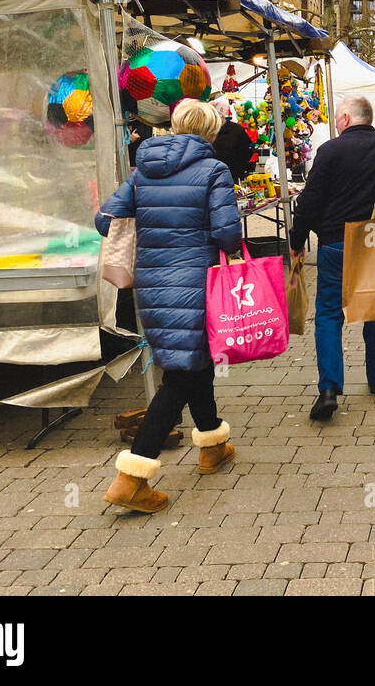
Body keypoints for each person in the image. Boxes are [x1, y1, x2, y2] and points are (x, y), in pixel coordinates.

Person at [97, 99, 242, 514]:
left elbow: (105, 220)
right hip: (195, 283)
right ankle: (133, 478)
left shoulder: (143, 170)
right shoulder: (213, 170)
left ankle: (213, 444)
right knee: (180, 376)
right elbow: (227, 234)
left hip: (152, 285)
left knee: (192, 364)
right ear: (210, 133)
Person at [289, 94, 375, 421]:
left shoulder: (330, 151)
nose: (335, 122)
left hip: (335, 240)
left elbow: (311, 200)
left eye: (337, 117)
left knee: (329, 314)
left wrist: (297, 239)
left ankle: (330, 388)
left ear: (347, 118)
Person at [211, 98, 256, 184]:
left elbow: (247, 151)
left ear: (223, 115)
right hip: (212, 175)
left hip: (232, 175)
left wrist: (239, 168)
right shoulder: (208, 130)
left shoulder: (237, 130)